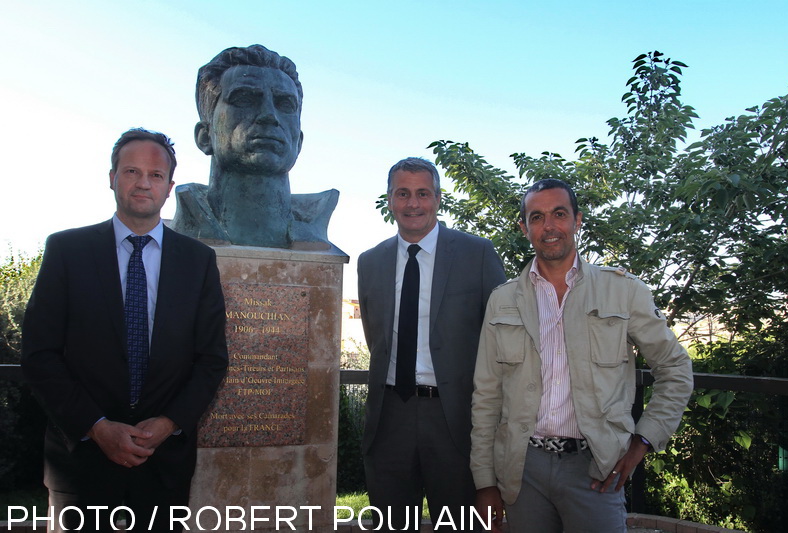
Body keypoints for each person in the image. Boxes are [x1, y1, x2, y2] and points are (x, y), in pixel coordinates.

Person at [22, 128, 229, 532]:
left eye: (155, 175)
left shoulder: (198, 261)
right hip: (81, 462)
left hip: (163, 463)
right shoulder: (67, 251)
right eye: (132, 170)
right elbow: (40, 354)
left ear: (169, 187)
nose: (143, 183)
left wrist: (168, 423)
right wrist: (97, 427)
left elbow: (211, 359)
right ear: (112, 177)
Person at [471, 178, 693, 532]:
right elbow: (486, 396)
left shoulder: (622, 292)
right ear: (524, 227)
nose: (549, 227)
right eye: (537, 217)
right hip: (521, 469)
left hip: (596, 468)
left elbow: (675, 368)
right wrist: (485, 482)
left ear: (577, 220)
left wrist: (643, 440)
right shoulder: (503, 300)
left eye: (559, 214)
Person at [357, 157, 506, 530]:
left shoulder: (478, 254)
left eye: (423, 193)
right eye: (402, 194)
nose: (413, 204)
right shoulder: (369, 262)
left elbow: (504, 338)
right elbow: (375, 336)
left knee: (460, 524)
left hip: (456, 420)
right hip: (389, 417)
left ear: (438, 199)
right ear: (389, 199)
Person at [171, 44, 338, 249]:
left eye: (285, 104)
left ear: (299, 141)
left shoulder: (313, 230)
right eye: (245, 99)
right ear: (205, 136)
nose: (269, 115)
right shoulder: (184, 235)